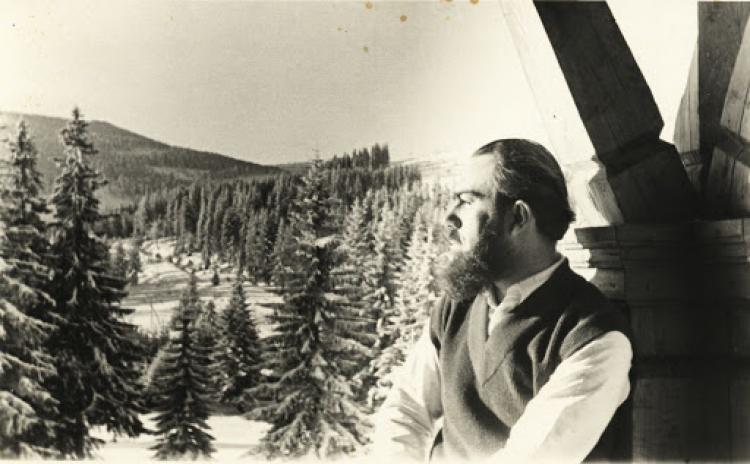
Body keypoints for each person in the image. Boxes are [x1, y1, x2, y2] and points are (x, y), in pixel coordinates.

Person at [373, 139, 633, 463]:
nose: (449, 217)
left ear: (519, 218)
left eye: (466, 201)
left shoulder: (593, 338)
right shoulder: (457, 306)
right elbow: (406, 411)